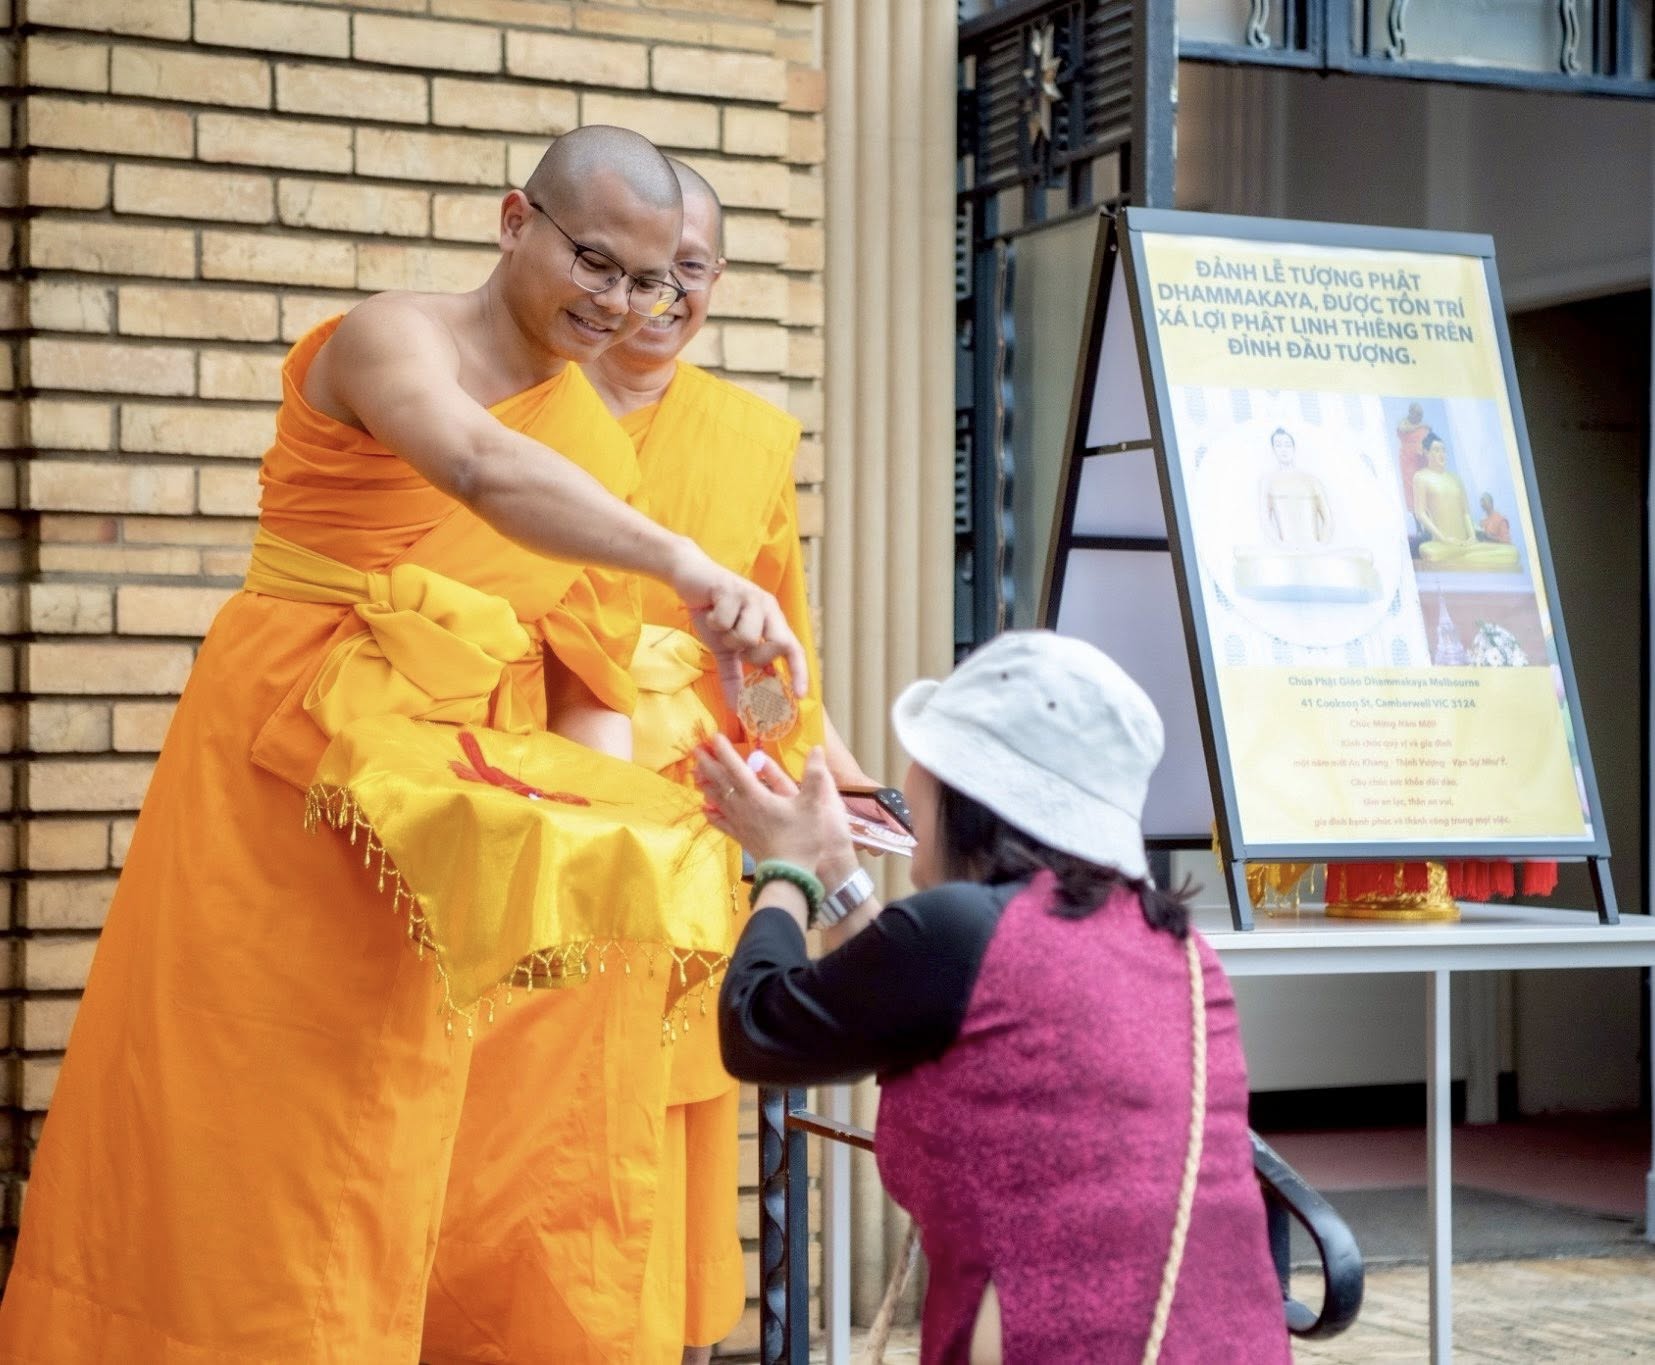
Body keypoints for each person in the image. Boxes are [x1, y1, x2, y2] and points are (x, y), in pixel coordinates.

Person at [0, 127, 808, 1363]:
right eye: (596, 261)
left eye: (651, 282)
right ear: (511, 220)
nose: (621, 305)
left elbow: (585, 670)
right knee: (228, 1097)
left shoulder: (588, 441)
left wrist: (584, 848)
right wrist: (688, 569)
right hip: (281, 763)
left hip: (425, 819)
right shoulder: (394, 338)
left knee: (377, 1128)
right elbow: (479, 466)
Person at [423, 159, 889, 1365]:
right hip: (516, 792)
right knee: (494, 1100)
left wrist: (822, 786)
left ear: (714, 281)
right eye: (638, 272)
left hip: (682, 813)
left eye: (688, 271)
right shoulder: (520, 401)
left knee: (654, 1114)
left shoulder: (744, 437)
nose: (660, 297)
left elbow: (781, 653)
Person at [697, 631, 1291, 1364]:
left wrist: (785, 869)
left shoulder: (962, 932)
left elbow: (756, 1025)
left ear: (965, 790)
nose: (907, 776)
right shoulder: (1168, 940)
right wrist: (841, 870)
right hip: (1223, 1335)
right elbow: (918, 997)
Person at [1233, 427, 1380, 604]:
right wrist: (1281, 545)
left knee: (1365, 556)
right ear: (1273, 450)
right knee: (1241, 553)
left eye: (1287, 445)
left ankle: (1312, 558)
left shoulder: (1311, 480)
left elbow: (1328, 520)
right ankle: (1298, 557)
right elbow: (1265, 519)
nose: (1283, 449)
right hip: (1285, 550)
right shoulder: (1268, 480)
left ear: (1294, 448)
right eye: (1279, 445)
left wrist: (1320, 545)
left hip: (1316, 549)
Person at [1412, 431, 1519, 570]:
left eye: (1443, 450)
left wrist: (1472, 537)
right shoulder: (1421, 477)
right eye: (1436, 450)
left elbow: (1465, 513)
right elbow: (1420, 513)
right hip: (1442, 544)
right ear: (1426, 452)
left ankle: (1465, 553)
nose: (1441, 454)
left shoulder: (1455, 479)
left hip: (1467, 544)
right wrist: (1443, 538)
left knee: (1512, 553)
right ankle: (1467, 555)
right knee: (1429, 552)